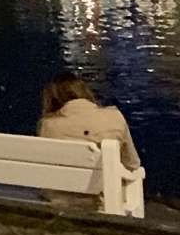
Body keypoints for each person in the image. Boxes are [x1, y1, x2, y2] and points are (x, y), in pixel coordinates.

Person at [37, 72, 140, 208]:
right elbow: (132, 164)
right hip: (103, 199)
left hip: (61, 200)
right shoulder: (115, 117)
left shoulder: (48, 125)